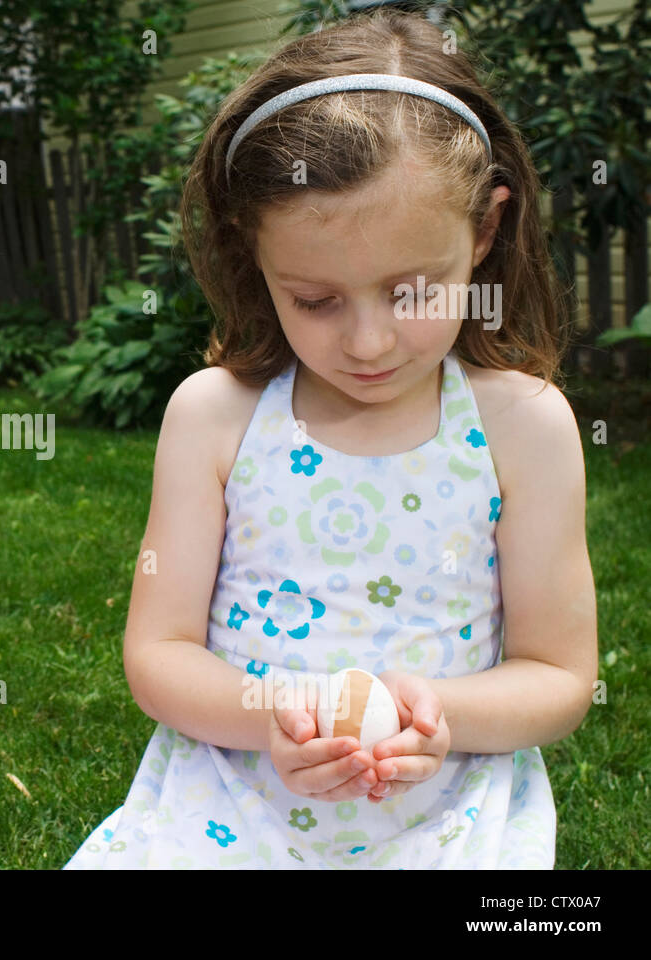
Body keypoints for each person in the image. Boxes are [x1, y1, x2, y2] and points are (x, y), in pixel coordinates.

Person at [66, 8, 597, 869]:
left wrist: (441, 714)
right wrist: (280, 711)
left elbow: (559, 673)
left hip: (443, 810)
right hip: (234, 798)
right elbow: (159, 654)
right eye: (315, 299)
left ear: (486, 231)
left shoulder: (524, 426)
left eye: (414, 290)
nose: (368, 342)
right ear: (253, 253)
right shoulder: (215, 417)